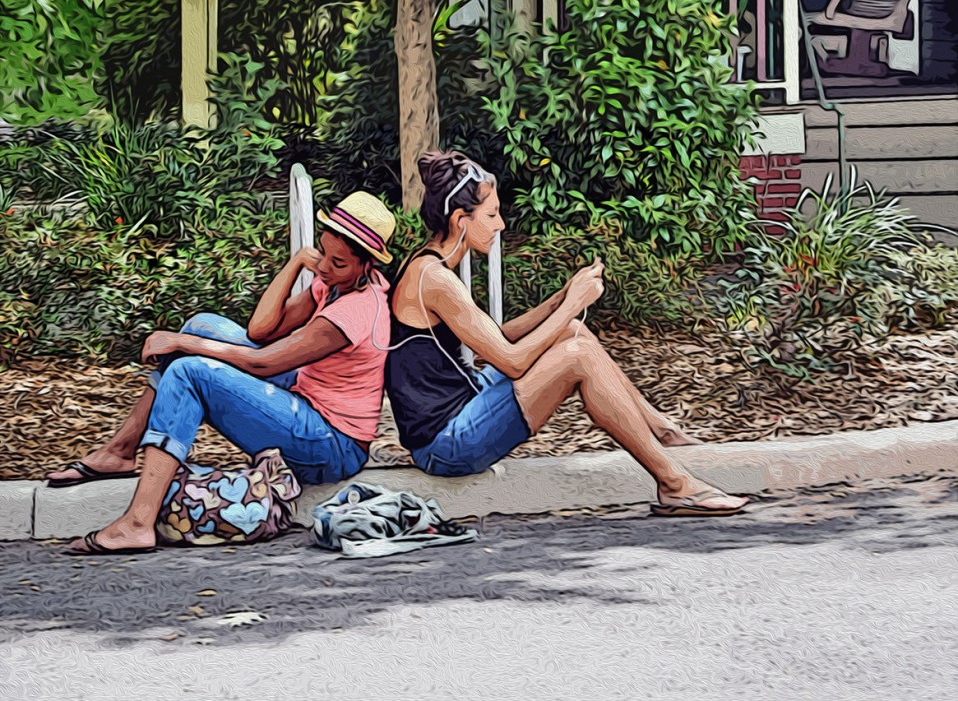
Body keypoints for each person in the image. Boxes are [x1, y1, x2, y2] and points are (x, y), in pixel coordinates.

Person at [386, 152, 748, 517]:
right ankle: (675, 484)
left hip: (463, 407)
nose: (501, 225)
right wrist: (572, 304)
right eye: (492, 214)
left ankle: (661, 429)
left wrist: (560, 299)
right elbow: (510, 362)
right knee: (578, 355)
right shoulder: (435, 280)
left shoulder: (426, 264)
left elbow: (491, 339)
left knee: (573, 331)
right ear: (460, 219)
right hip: (447, 444)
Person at [59, 191, 396, 554]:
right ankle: (121, 450)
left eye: (339, 262)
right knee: (202, 325)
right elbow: (261, 331)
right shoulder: (332, 284)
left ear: (367, 266)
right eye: (323, 253)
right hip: (305, 399)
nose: (326, 267)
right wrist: (296, 262)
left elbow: (263, 361)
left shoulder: (354, 310)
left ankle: (139, 522)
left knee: (190, 369)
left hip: (330, 446)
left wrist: (182, 343)